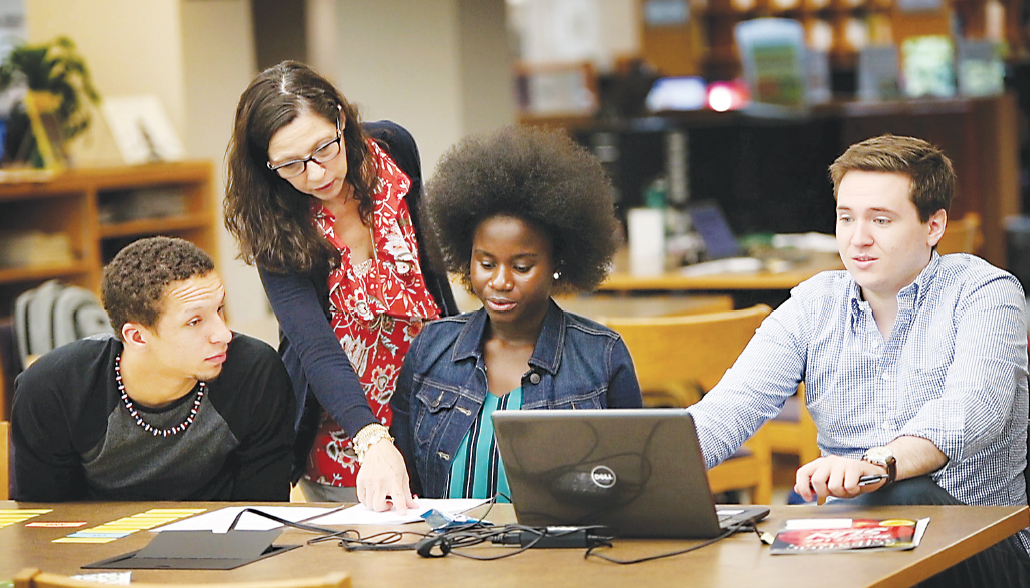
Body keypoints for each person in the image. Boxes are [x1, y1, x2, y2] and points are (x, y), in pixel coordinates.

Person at [687, 134, 1029, 586]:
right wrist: (642, 468)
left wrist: (877, 465)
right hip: (847, 544)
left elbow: (974, 410)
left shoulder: (986, 293)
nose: (858, 239)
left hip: (977, 548)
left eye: (881, 220)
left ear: (934, 226)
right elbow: (729, 409)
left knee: (908, 492)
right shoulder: (814, 304)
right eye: (846, 218)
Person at [224, 61, 457, 510]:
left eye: (323, 149)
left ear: (340, 118)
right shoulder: (274, 223)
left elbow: (429, 270)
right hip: (346, 436)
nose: (315, 174)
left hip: (436, 414)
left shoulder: (393, 147)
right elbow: (314, 347)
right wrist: (371, 440)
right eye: (290, 164)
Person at [391, 125, 644, 500]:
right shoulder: (432, 349)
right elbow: (406, 481)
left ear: (557, 263)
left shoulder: (601, 357)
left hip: (558, 555)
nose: (500, 281)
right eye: (486, 263)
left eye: (522, 266)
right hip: (449, 554)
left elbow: (632, 481)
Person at [11, 236, 295, 501]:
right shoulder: (53, 391)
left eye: (219, 309)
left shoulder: (255, 372)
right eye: (195, 322)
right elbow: (45, 526)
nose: (223, 335)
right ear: (137, 337)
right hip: (96, 548)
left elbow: (263, 514)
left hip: (226, 547)